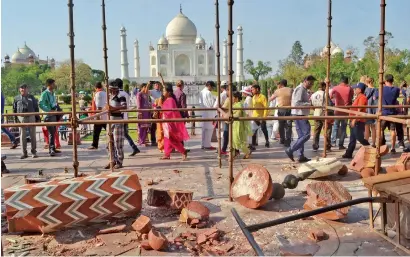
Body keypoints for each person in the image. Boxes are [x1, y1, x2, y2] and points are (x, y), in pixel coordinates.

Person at [285, 76, 316, 163]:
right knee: (306, 134)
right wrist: (309, 104)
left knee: (301, 136)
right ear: (305, 81)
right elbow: (297, 103)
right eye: (310, 83)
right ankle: (291, 150)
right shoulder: (301, 89)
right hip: (299, 114)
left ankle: (300, 155)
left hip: (299, 114)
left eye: (312, 83)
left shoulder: (303, 89)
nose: (311, 85)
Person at [159, 84, 189, 160]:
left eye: (164, 91)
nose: (163, 92)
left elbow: (171, 112)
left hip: (169, 123)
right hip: (166, 122)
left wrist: (161, 109)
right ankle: (167, 154)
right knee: (167, 138)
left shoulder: (171, 100)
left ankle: (183, 151)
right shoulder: (167, 100)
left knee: (171, 139)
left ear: (169, 92)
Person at [342, 83, 370, 158]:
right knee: (352, 138)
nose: (355, 90)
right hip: (354, 120)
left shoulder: (362, 98)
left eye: (356, 88)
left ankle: (370, 149)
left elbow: (359, 109)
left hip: (358, 121)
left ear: (360, 90)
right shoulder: (358, 97)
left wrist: (354, 120)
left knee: (359, 137)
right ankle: (349, 153)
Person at [13, 84, 40, 159]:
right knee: (22, 136)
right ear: (19, 89)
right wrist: (16, 120)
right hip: (21, 117)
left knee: (33, 135)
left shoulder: (32, 97)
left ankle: (34, 152)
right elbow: (14, 109)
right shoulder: (16, 98)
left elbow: (36, 107)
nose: (23, 90)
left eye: (25, 88)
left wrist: (37, 118)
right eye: (22, 88)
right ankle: (24, 153)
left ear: (27, 89)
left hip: (31, 116)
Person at [104, 81, 127, 169]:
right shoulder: (109, 98)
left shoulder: (121, 97)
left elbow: (124, 107)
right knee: (109, 143)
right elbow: (106, 108)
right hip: (110, 122)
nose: (109, 91)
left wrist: (113, 109)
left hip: (118, 122)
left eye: (110, 89)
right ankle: (112, 160)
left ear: (114, 89)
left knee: (118, 143)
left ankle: (119, 161)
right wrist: (109, 109)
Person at [376, 74, 401, 153]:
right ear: (392, 80)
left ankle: (379, 147)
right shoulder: (396, 89)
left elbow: (377, 96)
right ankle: (393, 148)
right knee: (392, 130)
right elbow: (397, 94)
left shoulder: (381, 89)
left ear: (385, 81)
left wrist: (382, 84)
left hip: (383, 113)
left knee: (380, 130)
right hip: (392, 113)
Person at [117, 78, 140, 156]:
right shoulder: (126, 94)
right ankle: (134, 148)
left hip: (120, 117)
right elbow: (128, 106)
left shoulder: (118, 94)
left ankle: (119, 153)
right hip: (125, 116)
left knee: (118, 135)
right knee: (125, 134)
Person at [39, 78, 61, 156]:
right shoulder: (45, 93)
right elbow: (40, 104)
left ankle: (53, 148)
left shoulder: (52, 93)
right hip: (48, 115)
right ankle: (51, 149)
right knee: (51, 132)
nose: (54, 85)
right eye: (53, 84)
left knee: (53, 132)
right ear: (50, 85)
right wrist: (48, 110)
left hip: (53, 114)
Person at [330, 76, 353, 150]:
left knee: (335, 126)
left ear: (341, 81)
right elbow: (351, 98)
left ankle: (333, 142)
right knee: (343, 128)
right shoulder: (349, 88)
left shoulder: (335, 88)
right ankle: (341, 144)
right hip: (345, 110)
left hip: (337, 110)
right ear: (347, 81)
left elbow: (330, 96)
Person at [269, 79, 292, 147]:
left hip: (281, 109)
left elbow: (270, 99)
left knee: (281, 125)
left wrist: (269, 94)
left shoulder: (278, 91)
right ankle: (288, 140)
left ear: (281, 84)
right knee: (288, 125)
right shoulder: (291, 90)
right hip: (289, 109)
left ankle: (282, 139)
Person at [311, 82, 331, 152]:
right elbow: (329, 104)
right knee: (327, 130)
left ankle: (315, 145)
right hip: (324, 113)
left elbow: (312, 105)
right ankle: (327, 146)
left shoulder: (313, 95)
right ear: (323, 87)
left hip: (316, 113)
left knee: (316, 131)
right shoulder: (325, 94)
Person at [88, 82, 107, 150]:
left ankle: (94, 145)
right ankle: (111, 143)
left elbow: (99, 106)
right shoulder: (105, 93)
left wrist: (98, 117)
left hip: (100, 115)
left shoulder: (98, 94)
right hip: (105, 115)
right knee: (108, 131)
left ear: (95, 87)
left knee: (96, 131)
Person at [199, 81, 216, 150]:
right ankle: (207, 145)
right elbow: (211, 103)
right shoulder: (208, 93)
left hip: (203, 112)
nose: (212, 89)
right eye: (212, 87)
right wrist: (215, 100)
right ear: (209, 86)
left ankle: (203, 144)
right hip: (209, 112)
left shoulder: (201, 92)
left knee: (204, 130)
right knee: (209, 130)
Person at [220, 85, 236, 155]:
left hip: (228, 119)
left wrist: (220, 107)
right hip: (230, 119)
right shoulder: (233, 99)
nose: (226, 91)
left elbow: (224, 108)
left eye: (227, 90)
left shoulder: (229, 99)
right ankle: (226, 149)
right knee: (229, 135)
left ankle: (225, 149)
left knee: (227, 135)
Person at [364, 77, 377, 147]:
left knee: (366, 128)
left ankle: (366, 142)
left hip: (367, 111)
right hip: (374, 110)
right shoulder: (376, 90)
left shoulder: (366, 90)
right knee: (373, 128)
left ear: (367, 82)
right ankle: (374, 143)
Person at [150, 79, 163, 147]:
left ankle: (160, 140)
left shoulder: (161, 92)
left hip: (160, 111)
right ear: (154, 86)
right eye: (155, 85)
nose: (157, 86)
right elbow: (145, 92)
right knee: (153, 126)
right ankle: (153, 140)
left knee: (160, 126)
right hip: (154, 111)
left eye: (158, 85)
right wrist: (148, 84)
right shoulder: (151, 91)